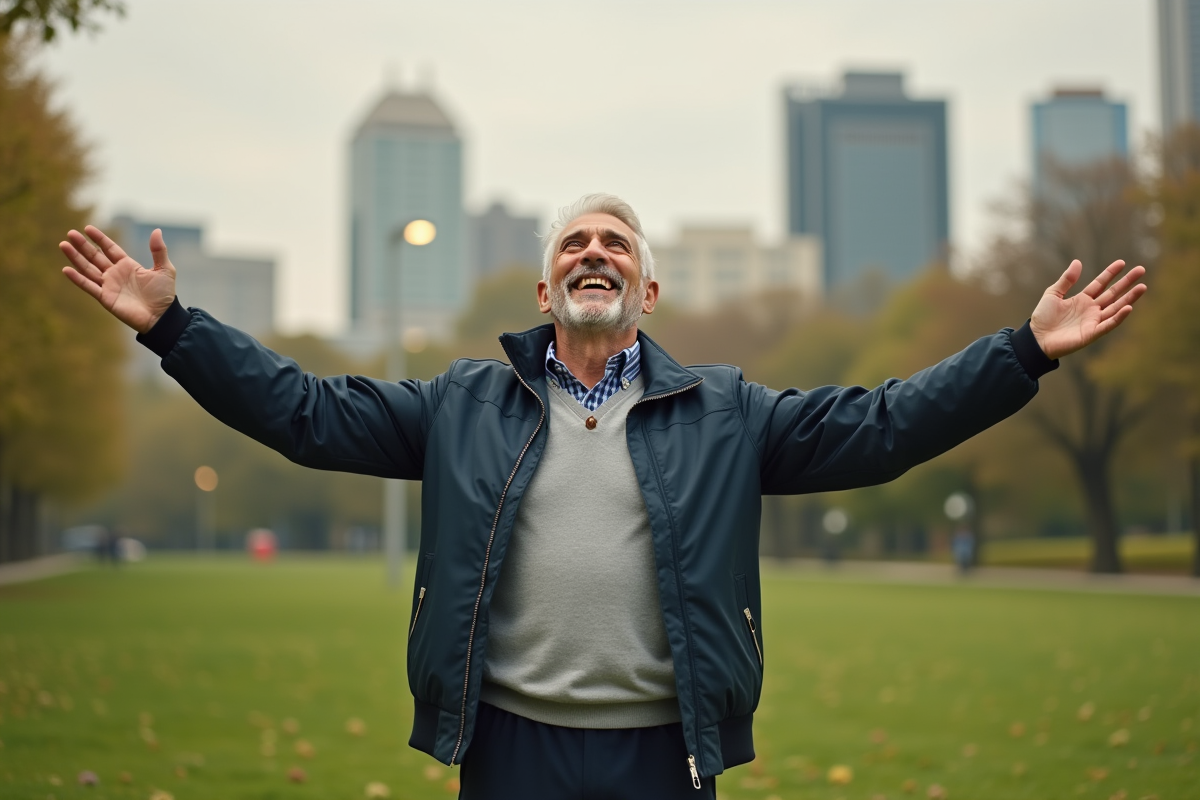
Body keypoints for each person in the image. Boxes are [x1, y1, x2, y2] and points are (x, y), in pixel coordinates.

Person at [59, 193, 1146, 799]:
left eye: (615, 241)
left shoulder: (728, 409)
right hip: (509, 745)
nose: (594, 252)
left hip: (664, 750)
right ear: (545, 287)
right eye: (574, 242)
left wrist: (1023, 351)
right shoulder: (461, 403)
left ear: (647, 286)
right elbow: (301, 411)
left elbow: (886, 424)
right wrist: (174, 328)